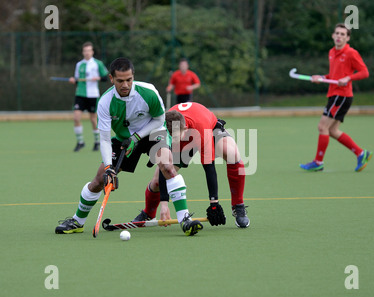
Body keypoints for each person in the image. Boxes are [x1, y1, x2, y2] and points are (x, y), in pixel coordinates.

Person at [56, 57, 203, 236]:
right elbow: (104, 139)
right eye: (120, 81)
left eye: (129, 79)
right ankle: (77, 221)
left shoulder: (148, 92)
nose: (125, 84)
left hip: (153, 132)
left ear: (133, 76)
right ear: (111, 78)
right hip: (123, 139)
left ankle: (185, 219)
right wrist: (109, 167)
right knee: (99, 179)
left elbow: (159, 119)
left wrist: (137, 137)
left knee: (167, 166)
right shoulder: (105, 102)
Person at [133, 102, 250, 228]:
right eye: (172, 137)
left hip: (208, 127)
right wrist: (164, 204)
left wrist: (214, 203)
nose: (175, 140)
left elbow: (209, 167)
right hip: (182, 132)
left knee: (231, 153)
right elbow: (164, 169)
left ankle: (238, 206)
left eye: (176, 137)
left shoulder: (201, 129)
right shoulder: (163, 130)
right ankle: (148, 213)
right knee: (156, 181)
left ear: (185, 128)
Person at [300, 23, 372, 172]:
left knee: (322, 127)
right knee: (332, 131)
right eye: (337, 33)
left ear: (347, 38)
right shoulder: (332, 52)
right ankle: (360, 153)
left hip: (342, 95)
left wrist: (349, 78)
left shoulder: (351, 53)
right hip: (335, 94)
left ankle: (318, 162)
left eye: (343, 34)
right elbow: (333, 76)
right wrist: (320, 77)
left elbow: (365, 72)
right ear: (333, 35)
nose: (339, 36)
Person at [69, 42, 109, 152]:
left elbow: (106, 77)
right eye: (85, 51)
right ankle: (80, 142)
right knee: (76, 118)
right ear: (83, 52)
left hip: (93, 95)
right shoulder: (79, 64)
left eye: (89, 50)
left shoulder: (98, 63)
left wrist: (99, 78)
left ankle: (97, 142)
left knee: (93, 120)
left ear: (92, 52)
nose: (87, 53)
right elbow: (77, 80)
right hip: (80, 94)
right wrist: (74, 80)